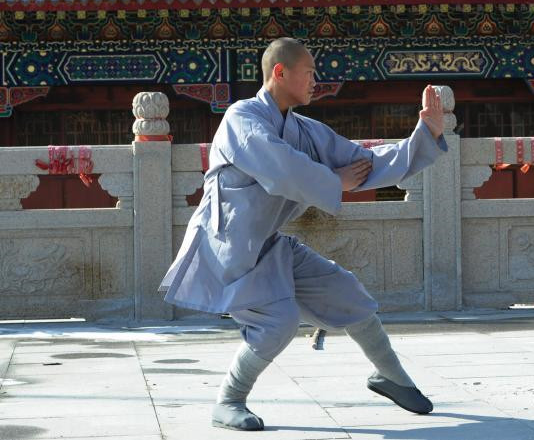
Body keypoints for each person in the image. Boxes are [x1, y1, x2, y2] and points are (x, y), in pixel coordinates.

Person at [158, 37, 448, 431]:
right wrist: (333, 180)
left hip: (269, 246)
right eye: (310, 72)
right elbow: (283, 170)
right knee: (278, 322)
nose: (316, 81)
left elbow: (361, 162)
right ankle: (228, 401)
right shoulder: (242, 119)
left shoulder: (304, 130)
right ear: (280, 72)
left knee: (347, 293)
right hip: (228, 250)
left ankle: (391, 376)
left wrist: (423, 136)